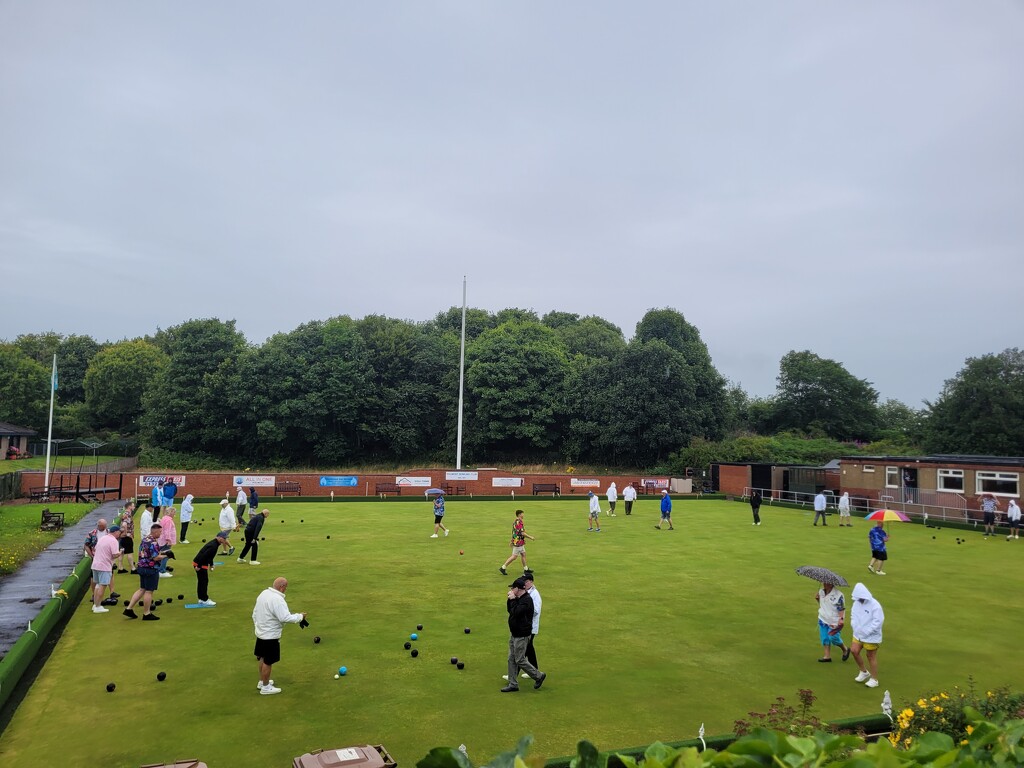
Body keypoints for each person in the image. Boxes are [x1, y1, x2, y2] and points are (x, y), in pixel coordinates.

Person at [252, 577, 307, 695]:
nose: (285, 590)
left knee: (262, 657)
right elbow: (285, 617)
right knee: (268, 661)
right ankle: (265, 687)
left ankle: (262, 681)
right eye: (285, 587)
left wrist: (258, 627)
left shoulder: (264, 593)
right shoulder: (277, 599)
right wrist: (300, 616)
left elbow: (255, 613)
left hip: (261, 633)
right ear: (282, 587)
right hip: (270, 635)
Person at [500, 576, 546, 692]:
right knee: (511, 658)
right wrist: (510, 599)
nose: (511, 590)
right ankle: (513, 684)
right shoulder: (518, 598)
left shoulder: (526, 600)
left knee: (520, 659)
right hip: (514, 633)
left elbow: (516, 612)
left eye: (513, 588)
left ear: (518, 589)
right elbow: (510, 610)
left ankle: (538, 676)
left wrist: (513, 600)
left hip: (522, 634)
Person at [124, 523, 168, 621]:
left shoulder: (144, 539)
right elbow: (155, 557)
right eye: (160, 532)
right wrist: (166, 555)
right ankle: (146, 613)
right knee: (149, 591)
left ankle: (129, 608)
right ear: (155, 532)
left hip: (141, 567)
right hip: (150, 569)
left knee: (142, 589)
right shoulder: (153, 543)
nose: (161, 533)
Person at [850, 582, 884, 688]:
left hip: (871, 636)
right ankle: (864, 672)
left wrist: (867, 631)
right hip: (858, 634)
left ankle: (874, 679)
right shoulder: (856, 603)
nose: (859, 599)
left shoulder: (875, 605)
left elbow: (878, 621)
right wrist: (854, 626)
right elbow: (853, 615)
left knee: (870, 656)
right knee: (854, 651)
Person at [814, 581, 851, 662]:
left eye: (827, 583)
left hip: (834, 621)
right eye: (824, 582)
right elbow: (823, 605)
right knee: (825, 638)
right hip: (823, 618)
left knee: (834, 638)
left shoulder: (838, 595)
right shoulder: (821, 592)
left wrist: (841, 619)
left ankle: (845, 649)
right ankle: (827, 656)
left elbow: (841, 608)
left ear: (831, 584)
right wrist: (818, 599)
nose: (824, 584)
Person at [91, 526, 122, 613]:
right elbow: (115, 554)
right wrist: (120, 553)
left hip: (95, 565)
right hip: (104, 566)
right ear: (115, 532)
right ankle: (98, 606)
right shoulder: (114, 541)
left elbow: (95, 549)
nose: (120, 533)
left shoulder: (102, 538)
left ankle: (95, 605)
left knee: (98, 585)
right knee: (103, 585)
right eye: (119, 532)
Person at [193, 533, 228, 606]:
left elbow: (210, 556)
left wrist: (211, 564)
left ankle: (201, 598)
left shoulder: (215, 544)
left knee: (202, 581)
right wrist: (199, 566)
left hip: (200, 563)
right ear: (219, 538)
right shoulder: (213, 546)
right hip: (200, 563)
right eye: (224, 538)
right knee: (203, 581)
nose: (225, 540)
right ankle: (204, 599)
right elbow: (204, 555)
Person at [499, 509, 534, 576]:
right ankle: (503, 567)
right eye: (522, 514)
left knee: (523, 554)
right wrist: (530, 537)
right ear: (519, 514)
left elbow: (514, 532)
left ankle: (526, 569)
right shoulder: (519, 522)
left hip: (519, 541)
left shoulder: (516, 521)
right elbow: (522, 533)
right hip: (518, 542)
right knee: (514, 556)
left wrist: (512, 540)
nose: (523, 515)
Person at [157, 507, 177, 578]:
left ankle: (160, 569)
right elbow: (167, 531)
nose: (175, 513)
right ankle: (161, 571)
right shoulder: (168, 520)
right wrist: (169, 540)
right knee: (165, 556)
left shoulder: (164, 518)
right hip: (165, 541)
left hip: (162, 540)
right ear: (171, 512)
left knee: (162, 554)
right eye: (174, 512)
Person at [118, 502, 136, 574]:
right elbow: (124, 524)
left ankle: (120, 568)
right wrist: (126, 533)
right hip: (127, 537)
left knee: (121, 552)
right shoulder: (127, 514)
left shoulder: (125, 513)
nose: (134, 507)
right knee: (129, 552)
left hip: (123, 537)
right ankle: (133, 568)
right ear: (129, 507)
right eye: (133, 506)